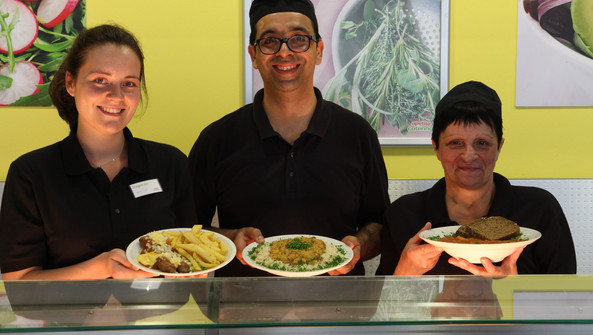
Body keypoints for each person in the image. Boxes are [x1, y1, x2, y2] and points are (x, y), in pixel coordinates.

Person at [188, 0, 390, 276]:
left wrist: (358, 246)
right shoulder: (217, 139)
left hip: (340, 310)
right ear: (254, 55)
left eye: (298, 39)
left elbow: (379, 225)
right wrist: (230, 239)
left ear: (318, 50)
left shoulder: (358, 135)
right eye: (270, 41)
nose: (284, 52)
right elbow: (189, 229)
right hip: (242, 310)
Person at [0, 24, 198, 280]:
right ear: (71, 83)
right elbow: (18, 281)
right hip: (68, 319)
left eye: (129, 83)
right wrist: (102, 268)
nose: (115, 95)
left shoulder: (171, 164)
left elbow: (191, 253)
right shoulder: (31, 174)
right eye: (100, 80)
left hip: (160, 317)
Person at [376, 80, 576, 276]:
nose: (469, 155)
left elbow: (565, 301)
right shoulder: (403, 215)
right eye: (455, 143)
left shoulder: (540, 210)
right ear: (436, 147)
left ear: (499, 147)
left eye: (482, 143)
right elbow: (382, 308)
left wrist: (513, 288)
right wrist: (404, 273)